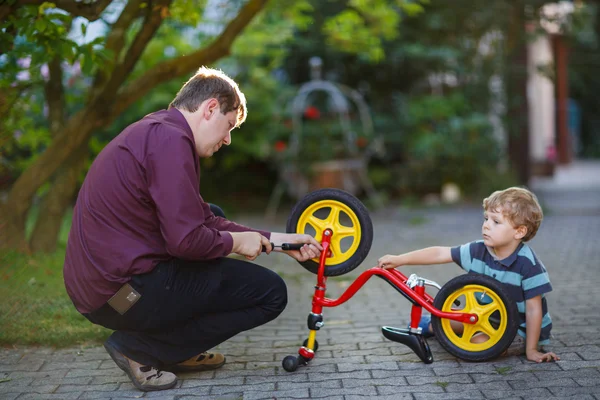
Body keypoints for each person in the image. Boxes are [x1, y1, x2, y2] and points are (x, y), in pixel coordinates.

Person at [63, 67, 322, 392]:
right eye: (229, 126)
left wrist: (279, 242)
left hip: (105, 291)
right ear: (210, 108)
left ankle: (175, 350)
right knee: (269, 293)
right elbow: (186, 241)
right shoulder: (171, 142)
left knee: (214, 214)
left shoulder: (160, 131)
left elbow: (203, 219)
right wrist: (235, 242)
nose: (228, 139)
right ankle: (141, 350)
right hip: (121, 296)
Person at [376, 187, 560, 363]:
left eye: (496, 221)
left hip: (518, 330)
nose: (486, 225)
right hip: (483, 318)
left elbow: (534, 310)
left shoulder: (528, 265)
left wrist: (532, 350)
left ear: (519, 231)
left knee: (478, 345)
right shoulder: (479, 250)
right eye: (486, 218)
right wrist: (400, 259)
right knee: (449, 320)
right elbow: (441, 253)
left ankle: (441, 330)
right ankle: (432, 325)